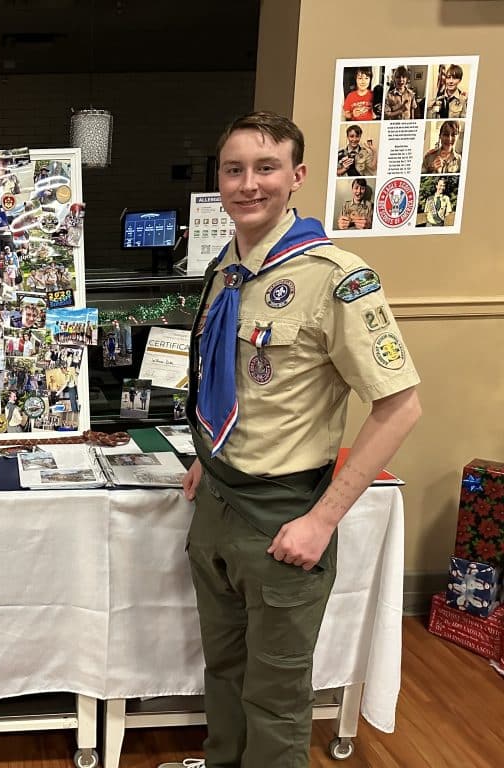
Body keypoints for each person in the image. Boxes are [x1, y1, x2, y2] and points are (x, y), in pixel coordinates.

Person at [166, 111, 421, 768]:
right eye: (234, 169)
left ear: (297, 176)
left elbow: (401, 406)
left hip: (284, 516)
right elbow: (222, 376)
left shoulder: (336, 277)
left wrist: (322, 520)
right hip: (218, 506)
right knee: (222, 673)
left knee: (276, 697)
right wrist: (205, 455)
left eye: (266, 167)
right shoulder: (226, 266)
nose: (248, 184)